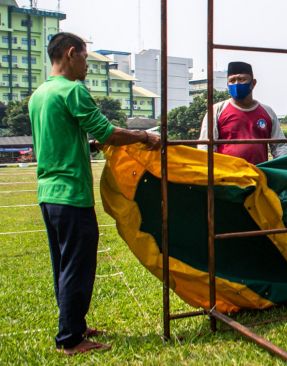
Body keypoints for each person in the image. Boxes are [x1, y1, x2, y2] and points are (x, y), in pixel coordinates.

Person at [28, 32, 161, 355]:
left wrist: (87, 145)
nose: (87, 64)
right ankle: (71, 340)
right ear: (71, 54)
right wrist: (144, 136)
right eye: (85, 57)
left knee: (62, 263)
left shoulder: (40, 94)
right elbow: (107, 131)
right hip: (71, 194)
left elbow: (59, 138)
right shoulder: (74, 90)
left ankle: (73, 324)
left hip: (48, 193)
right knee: (78, 264)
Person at [198, 61, 287, 164]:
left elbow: (280, 147)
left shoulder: (267, 111)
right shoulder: (217, 110)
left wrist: (282, 170)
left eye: (242, 79)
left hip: (259, 174)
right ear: (227, 84)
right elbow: (205, 146)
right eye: (232, 80)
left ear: (253, 83)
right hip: (226, 176)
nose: (236, 84)